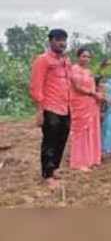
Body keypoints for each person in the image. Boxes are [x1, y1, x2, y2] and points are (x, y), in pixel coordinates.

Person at [30, 29, 71, 189]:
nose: (62, 43)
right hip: (50, 107)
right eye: (59, 39)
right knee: (50, 141)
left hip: (65, 107)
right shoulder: (42, 60)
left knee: (62, 138)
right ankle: (47, 174)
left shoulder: (65, 61)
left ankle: (54, 168)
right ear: (50, 41)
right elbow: (36, 86)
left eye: (64, 40)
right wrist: (40, 110)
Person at [69, 48, 103, 172]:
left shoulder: (89, 71)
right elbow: (78, 87)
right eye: (83, 56)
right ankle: (79, 162)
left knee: (92, 130)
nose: (86, 59)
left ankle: (92, 159)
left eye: (88, 57)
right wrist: (94, 94)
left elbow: (93, 86)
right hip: (79, 103)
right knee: (80, 131)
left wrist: (98, 96)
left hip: (91, 104)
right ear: (78, 57)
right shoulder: (73, 69)